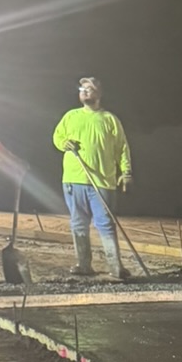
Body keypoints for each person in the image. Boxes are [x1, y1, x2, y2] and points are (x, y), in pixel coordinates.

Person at [52, 75, 132, 279]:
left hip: (102, 180)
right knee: (78, 222)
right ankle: (83, 264)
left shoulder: (109, 120)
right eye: (82, 89)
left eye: (89, 88)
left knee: (105, 222)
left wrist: (126, 172)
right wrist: (64, 143)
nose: (84, 91)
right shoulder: (70, 116)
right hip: (73, 178)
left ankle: (115, 266)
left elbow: (122, 148)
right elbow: (57, 137)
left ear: (99, 93)